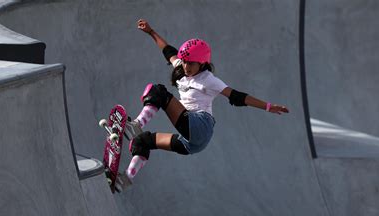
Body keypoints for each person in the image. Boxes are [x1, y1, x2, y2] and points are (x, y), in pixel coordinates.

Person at [115, 19, 289, 190]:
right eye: (184, 62)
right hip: (192, 142)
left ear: (202, 63)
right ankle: (125, 180)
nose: (186, 66)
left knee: (157, 91)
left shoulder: (208, 79)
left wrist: (268, 106)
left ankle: (135, 125)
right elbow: (168, 51)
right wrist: (151, 32)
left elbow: (237, 96)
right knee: (142, 142)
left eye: (191, 64)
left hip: (199, 124)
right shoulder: (181, 68)